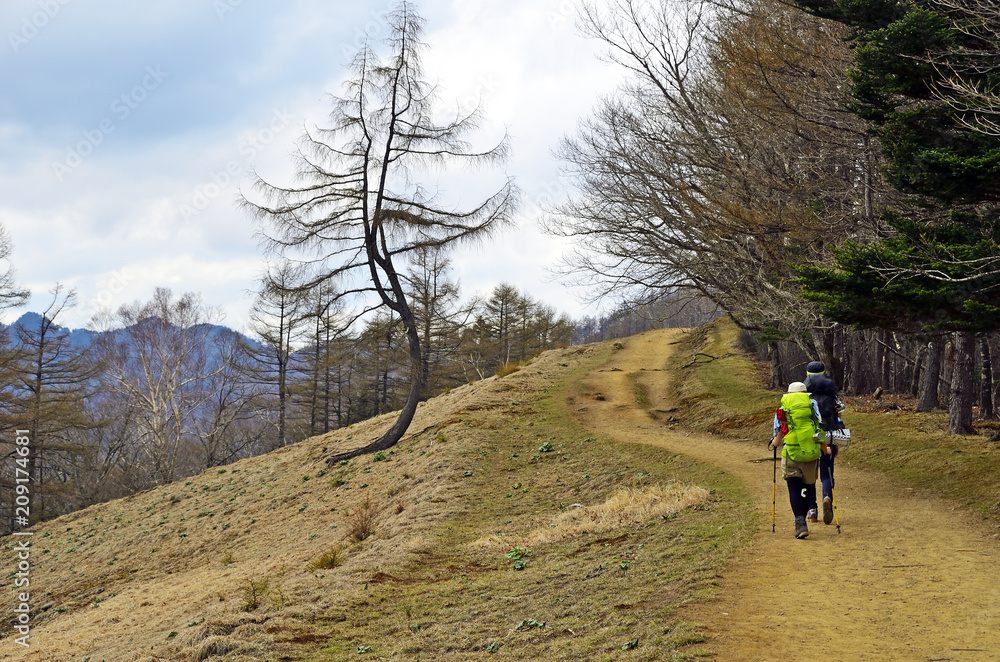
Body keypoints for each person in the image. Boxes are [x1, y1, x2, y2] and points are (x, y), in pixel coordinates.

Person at [769, 381, 830, 539]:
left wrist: (774, 442)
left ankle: (800, 522)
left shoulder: (783, 409)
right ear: (805, 393)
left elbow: (778, 438)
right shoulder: (811, 405)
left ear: (789, 394)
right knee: (807, 487)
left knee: (793, 488)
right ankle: (806, 514)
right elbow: (818, 429)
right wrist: (825, 449)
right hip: (810, 454)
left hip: (791, 453)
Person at [804, 360, 845, 526]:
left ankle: (812, 510)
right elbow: (840, 415)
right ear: (823, 373)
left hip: (811, 435)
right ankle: (827, 496)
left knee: (809, 475)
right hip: (829, 433)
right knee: (827, 471)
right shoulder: (832, 393)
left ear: (807, 374)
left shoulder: (803, 393)